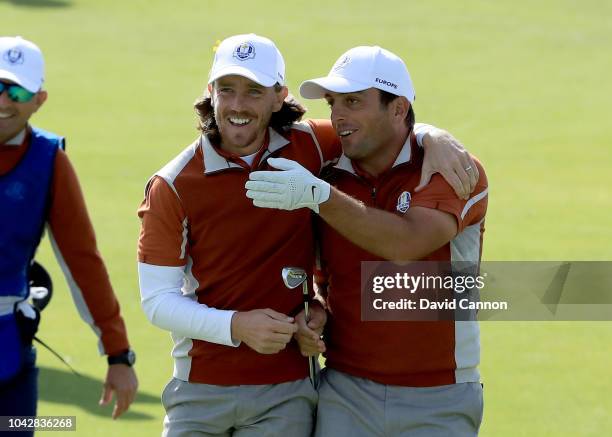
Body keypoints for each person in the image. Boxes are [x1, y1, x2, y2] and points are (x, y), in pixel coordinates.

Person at [137, 33, 477, 436]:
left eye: (254, 91)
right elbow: (157, 301)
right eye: (226, 90)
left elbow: (389, 127)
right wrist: (237, 326)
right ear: (210, 93)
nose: (238, 105)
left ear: (279, 96)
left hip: (287, 391)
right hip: (198, 390)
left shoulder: (312, 146)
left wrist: (433, 137)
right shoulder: (173, 184)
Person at [246, 45, 488, 436]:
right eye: (332, 102)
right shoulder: (324, 168)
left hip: (439, 397)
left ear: (397, 109)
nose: (338, 115)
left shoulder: (452, 169)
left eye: (354, 101)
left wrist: (320, 197)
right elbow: (325, 276)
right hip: (345, 392)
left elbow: (406, 245)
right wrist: (318, 312)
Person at [0, 36, 138, 425]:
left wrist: (118, 353)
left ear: (39, 99)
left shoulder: (49, 161)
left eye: (17, 89)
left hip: (8, 351)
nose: (3, 100)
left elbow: (83, 262)